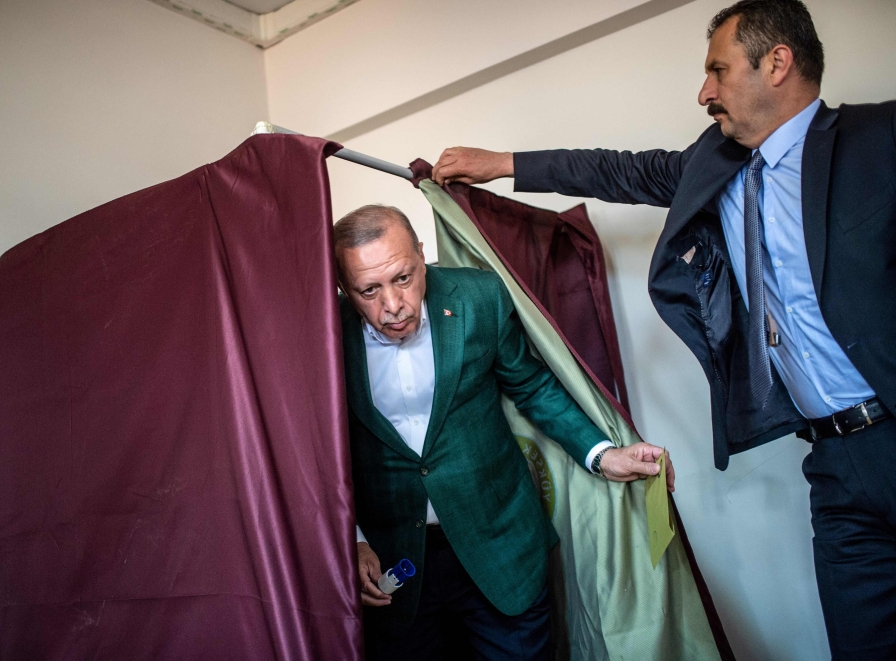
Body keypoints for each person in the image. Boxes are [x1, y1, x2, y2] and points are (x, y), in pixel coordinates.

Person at [431, 0, 896, 658]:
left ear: (777, 63)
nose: (704, 92)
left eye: (717, 70)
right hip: (832, 464)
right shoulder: (716, 164)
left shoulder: (878, 139)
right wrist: (502, 162)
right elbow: (616, 169)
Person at [334, 203, 674, 660]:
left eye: (403, 278)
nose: (392, 305)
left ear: (421, 255)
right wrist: (351, 540)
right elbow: (314, 451)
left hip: (501, 549)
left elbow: (531, 385)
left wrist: (603, 454)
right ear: (343, 287)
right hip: (393, 568)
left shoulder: (479, 297)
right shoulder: (323, 335)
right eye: (369, 290)